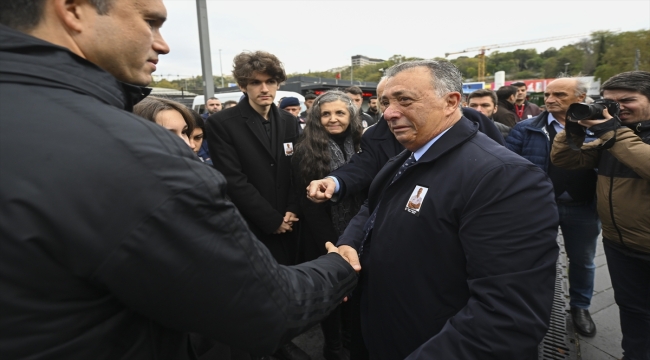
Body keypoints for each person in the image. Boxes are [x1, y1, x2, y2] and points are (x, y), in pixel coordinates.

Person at [0, 1, 358, 359]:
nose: (163, 44)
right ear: (73, 9)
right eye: (150, 22)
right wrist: (339, 266)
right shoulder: (132, 149)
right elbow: (265, 306)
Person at [330, 60, 559, 359]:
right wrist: (350, 243)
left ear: (451, 101)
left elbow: (507, 316)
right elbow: (373, 206)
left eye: (405, 100)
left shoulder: (505, 177)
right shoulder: (407, 157)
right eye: (385, 102)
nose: (388, 113)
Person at [204, 51, 310, 360]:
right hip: (252, 222)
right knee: (259, 290)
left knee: (289, 284)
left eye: (271, 81)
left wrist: (293, 210)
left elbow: (298, 171)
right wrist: (271, 219)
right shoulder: (223, 123)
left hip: (290, 219)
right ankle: (272, 345)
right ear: (242, 85)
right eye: (256, 83)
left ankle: (283, 338)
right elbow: (232, 179)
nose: (264, 89)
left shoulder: (291, 122)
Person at [551, 71, 650, 360]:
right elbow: (567, 159)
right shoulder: (617, 136)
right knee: (633, 313)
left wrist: (611, 130)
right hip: (620, 245)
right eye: (610, 102)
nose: (618, 107)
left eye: (627, 100)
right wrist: (573, 129)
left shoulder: (617, 135)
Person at [506, 77, 601, 338]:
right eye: (547, 94)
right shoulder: (526, 129)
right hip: (537, 208)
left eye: (559, 94)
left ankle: (580, 306)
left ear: (580, 98)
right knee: (531, 258)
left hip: (583, 206)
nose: (549, 99)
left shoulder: (599, 128)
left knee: (583, 260)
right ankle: (534, 306)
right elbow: (509, 167)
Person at [291, 91, 364, 360]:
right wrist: (332, 242)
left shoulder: (363, 144)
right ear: (316, 118)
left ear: (351, 115)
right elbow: (308, 203)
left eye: (340, 113)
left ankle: (351, 342)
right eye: (326, 114)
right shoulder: (306, 149)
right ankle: (333, 347)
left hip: (360, 231)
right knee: (333, 297)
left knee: (358, 295)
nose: (333, 119)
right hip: (323, 235)